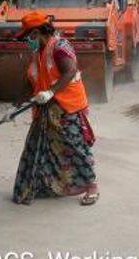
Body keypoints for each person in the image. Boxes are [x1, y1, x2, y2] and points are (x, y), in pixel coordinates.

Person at [7, 11, 99, 206]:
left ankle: (91, 186)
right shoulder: (36, 52)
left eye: (29, 36)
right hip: (45, 108)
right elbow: (29, 81)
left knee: (74, 146)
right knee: (39, 147)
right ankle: (43, 185)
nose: (28, 41)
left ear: (40, 31)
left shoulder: (59, 46)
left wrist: (51, 92)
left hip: (68, 106)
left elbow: (70, 70)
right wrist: (14, 107)